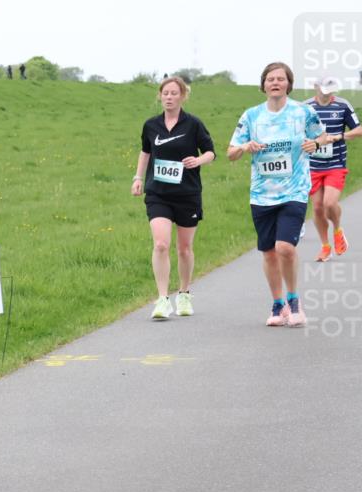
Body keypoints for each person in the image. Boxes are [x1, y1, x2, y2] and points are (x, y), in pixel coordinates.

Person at [228, 62, 328, 327]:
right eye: (270, 79)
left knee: (285, 247)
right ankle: (277, 304)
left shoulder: (303, 112)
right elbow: (231, 153)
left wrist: (315, 143)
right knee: (269, 252)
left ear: (288, 84)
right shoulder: (251, 116)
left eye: (280, 79)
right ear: (263, 85)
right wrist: (245, 147)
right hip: (261, 194)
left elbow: (323, 136)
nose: (275, 83)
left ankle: (294, 301)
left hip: (294, 190)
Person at [131, 76, 216, 318]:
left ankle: (184, 293)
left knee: (184, 249)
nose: (169, 97)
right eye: (165, 93)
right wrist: (138, 178)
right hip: (158, 193)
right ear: (160, 96)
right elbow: (145, 152)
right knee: (160, 244)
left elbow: (211, 152)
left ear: (182, 96)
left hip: (187, 194)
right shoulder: (151, 125)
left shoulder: (193, 124)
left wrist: (198, 160)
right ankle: (162, 300)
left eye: (174, 93)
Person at [305, 76, 361, 261]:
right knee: (318, 208)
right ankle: (325, 246)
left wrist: (339, 136)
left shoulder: (342, 105)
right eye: (324, 91)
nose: (327, 95)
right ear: (316, 87)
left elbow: (359, 129)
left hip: (336, 163)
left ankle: (337, 231)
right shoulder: (305, 107)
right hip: (313, 165)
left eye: (330, 91)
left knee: (329, 203)